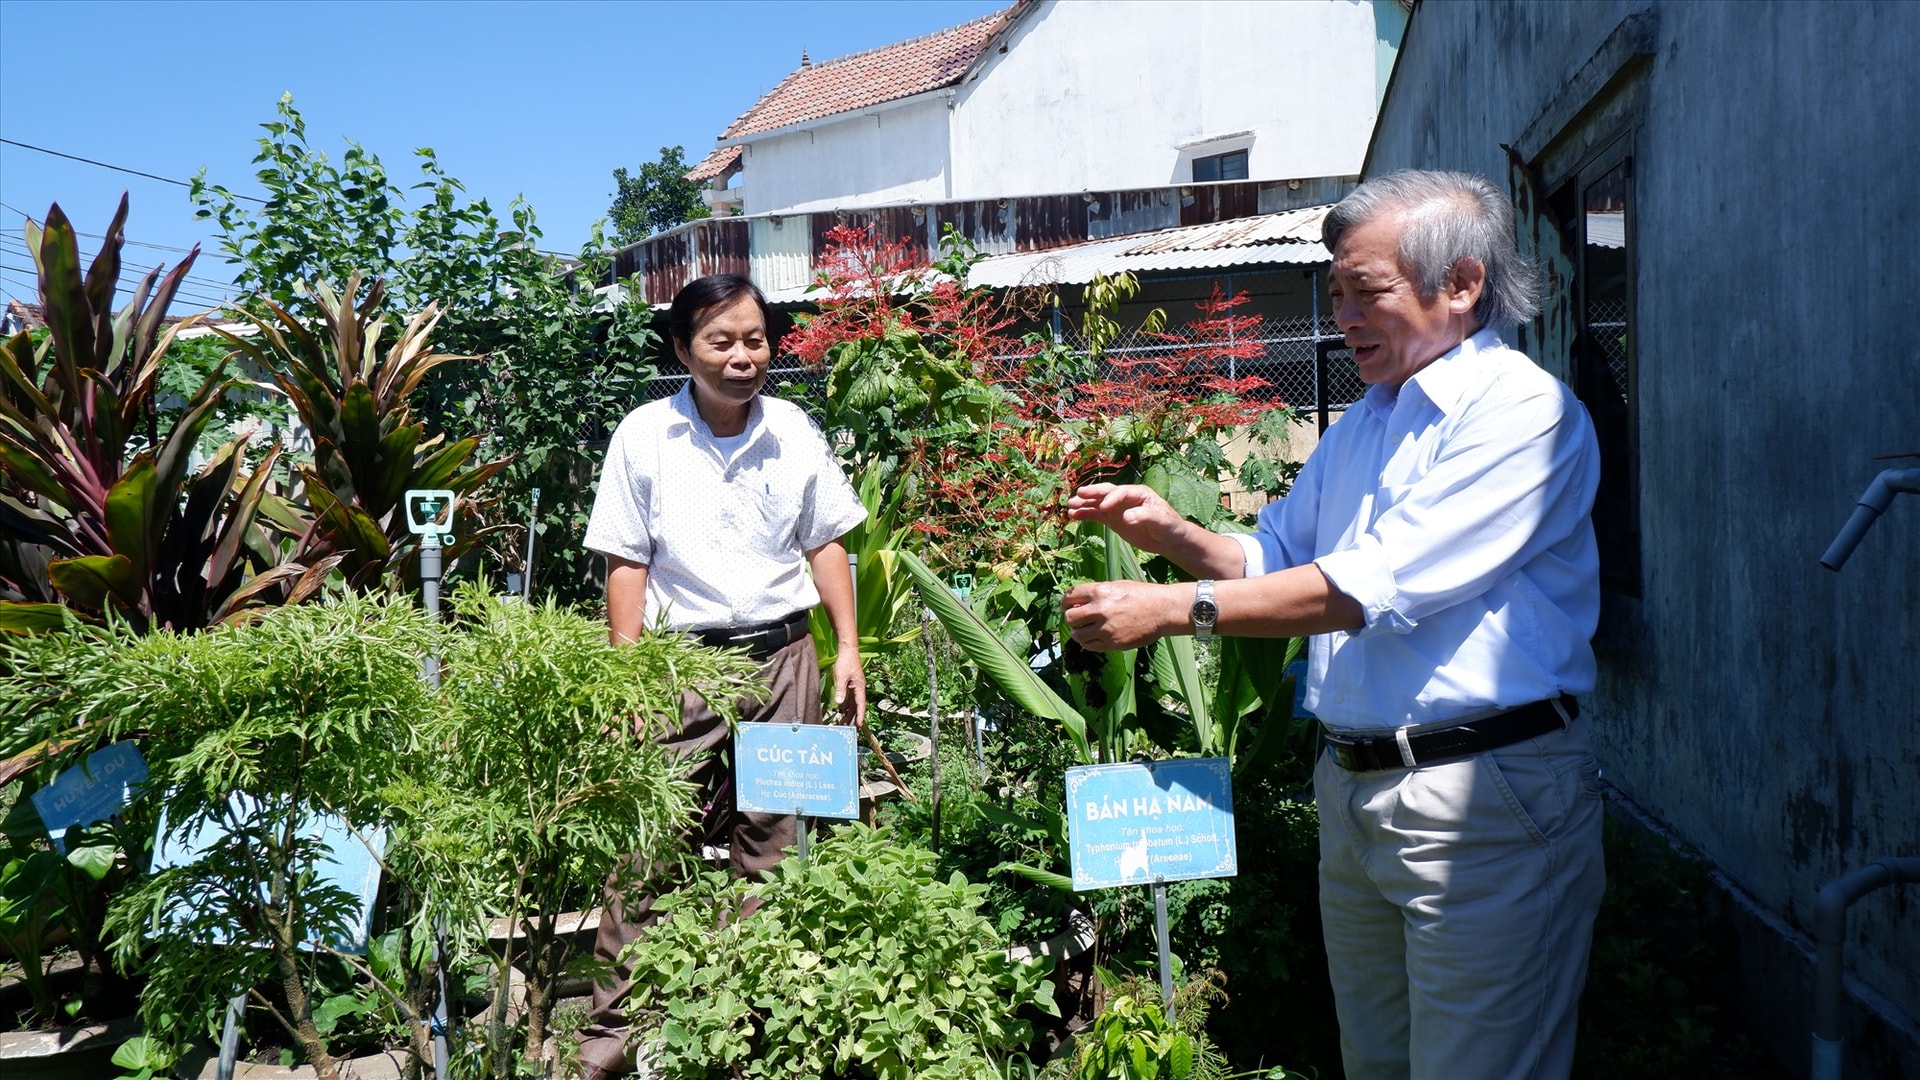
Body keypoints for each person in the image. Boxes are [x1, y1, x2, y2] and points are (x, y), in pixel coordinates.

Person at [1063, 170, 1605, 1080]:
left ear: (1463, 285)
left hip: (1483, 798)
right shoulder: (1370, 420)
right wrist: (1171, 532)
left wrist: (1168, 611)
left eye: (1367, 292)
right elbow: (1276, 557)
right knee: (1378, 1063)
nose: (1343, 315)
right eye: (1336, 291)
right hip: (1358, 793)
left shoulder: (1521, 415)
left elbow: (1366, 588)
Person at [577, 273, 866, 1078]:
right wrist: (629, 681)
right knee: (647, 843)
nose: (743, 357)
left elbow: (827, 545)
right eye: (722, 341)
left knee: (778, 839)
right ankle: (617, 1039)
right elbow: (626, 563)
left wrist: (847, 649)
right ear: (683, 350)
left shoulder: (795, 429)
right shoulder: (644, 436)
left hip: (783, 656)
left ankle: (755, 1025)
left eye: (756, 340)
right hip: (680, 664)